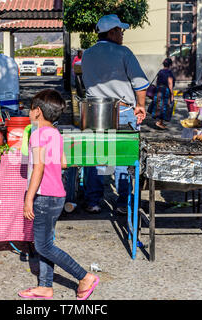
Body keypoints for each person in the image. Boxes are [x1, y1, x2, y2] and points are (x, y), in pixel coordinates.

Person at [19, 89, 99, 300]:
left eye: (30, 109)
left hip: (44, 196)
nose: (29, 112)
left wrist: (28, 198)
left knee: (43, 245)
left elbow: (38, 168)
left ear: (37, 111)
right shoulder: (55, 133)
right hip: (58, 195)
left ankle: (84, 276)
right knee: (47, 243)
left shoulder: (37, 134)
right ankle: (45, 286)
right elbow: (63, 163)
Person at [81, 14, 148, 215]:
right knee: (123, 157)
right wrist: (140, 106)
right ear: (111, 32)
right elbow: (140, 83)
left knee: (93, 158)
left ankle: (93, 201)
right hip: (123, 111)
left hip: (94, 111)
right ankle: (122, 202)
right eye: (120, 31)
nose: (122, 35)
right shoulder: (123, 52)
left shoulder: (87, 54)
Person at [147, 58, 176, 130]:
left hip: (158, 89)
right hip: (165, 90)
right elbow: (170, 83)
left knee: (159, 105)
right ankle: (159, 122)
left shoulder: (160, 71)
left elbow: (157, 81)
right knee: (165, 105)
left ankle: (161, 122)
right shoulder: (169, 72)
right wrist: (171, 94)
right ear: (170, 65)